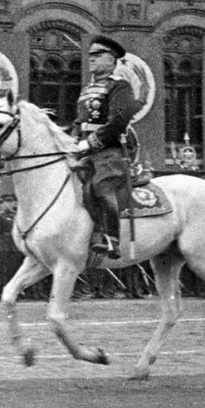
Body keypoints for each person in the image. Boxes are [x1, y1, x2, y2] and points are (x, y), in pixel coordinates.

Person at [69, 35, 139, 259]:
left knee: (102, 184)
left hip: (109, 149)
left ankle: (111, 237)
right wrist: (72, 140)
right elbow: (79, 121)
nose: (92, 59)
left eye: (98, 56)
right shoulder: (86, 90)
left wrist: (90, 142)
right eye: (90, 56)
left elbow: (119, 121)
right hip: (84, 149)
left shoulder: (120, 86)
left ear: (112, 60)